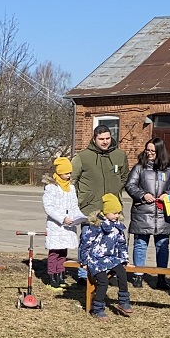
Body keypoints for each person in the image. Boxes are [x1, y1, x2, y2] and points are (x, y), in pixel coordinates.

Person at [124, 137, 170, 289]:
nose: (149, 153)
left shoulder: (169, 169)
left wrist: (167, 194)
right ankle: (138, 275)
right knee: (140, 244)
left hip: (163, 214)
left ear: (160, 152)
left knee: (162, 246)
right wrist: (143, 195)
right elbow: (130, 185)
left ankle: (161, 277)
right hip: (143, 212)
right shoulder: (139, 168)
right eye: (147, 150)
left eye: (152, 151)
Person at [78, 193, 132, 320]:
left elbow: (122, 244)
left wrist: (124, 259)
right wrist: (84, 261)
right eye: (114, 213)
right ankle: (97, 308)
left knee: (122, 273)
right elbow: (85, 243)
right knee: (103, 281)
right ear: (106, 212)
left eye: (118, 213)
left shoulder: (117, 226)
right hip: (96, 260)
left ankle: (123, 300)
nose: (117, 215)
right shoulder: (96, 226)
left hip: (111, 258)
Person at [41, 156, 85, 288]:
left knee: (63, 251)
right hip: (56, 225)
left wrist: (79, 217)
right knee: (54, 251)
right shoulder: (51, 187)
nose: (69, 175)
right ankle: (52, 276)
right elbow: (49, 207)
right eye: (66, 173)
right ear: (59, 172)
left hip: (68, 225)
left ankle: (60, 274)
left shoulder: (71, 187)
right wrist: (62, 218)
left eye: (70, 173)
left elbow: (74, 205)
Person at [71, 125, 129, 217]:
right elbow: (72, 180)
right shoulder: (82, 157)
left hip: (113, 209)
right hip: (90, 208)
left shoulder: (120, 155)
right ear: (94, 139)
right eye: (101, 139)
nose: (105, 142)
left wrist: (115, 191)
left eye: (108, 138)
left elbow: (124, 177)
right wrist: (84, 197)